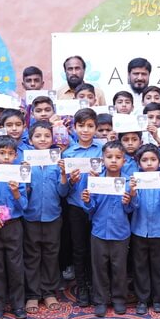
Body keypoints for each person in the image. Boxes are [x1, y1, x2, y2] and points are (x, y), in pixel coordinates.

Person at [81, 141, 134, 316]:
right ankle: (100, 300)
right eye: (109, 157)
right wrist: (87, 200)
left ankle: (119, 299)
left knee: (119, 268)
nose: (113, 161)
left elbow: (131, 209)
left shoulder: (128, 182)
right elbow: (91, 209)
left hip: (120, 232)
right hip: (99, 231)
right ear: (102, 159)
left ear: (124, 161)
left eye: (118, 157)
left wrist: (129, 200)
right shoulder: (96, 181)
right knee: (99, 267)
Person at [23, 121, 69, 313]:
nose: (43, 140)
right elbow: (21, 192)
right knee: (31, 256)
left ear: (53, 139)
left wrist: (64, 175)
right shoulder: (25, 162)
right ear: (30, 140)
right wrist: (23, 176)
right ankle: (33, 294)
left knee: (51, 254)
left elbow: (63, 192)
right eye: (38, 136)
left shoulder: (57, 162)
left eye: (47, 136)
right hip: (30, 216)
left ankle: (49, 291)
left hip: (53, 216)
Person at [0, 135, 29, 319]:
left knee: (15, 266)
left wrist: (17, 192)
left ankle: (18, 304)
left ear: (16, 155)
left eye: (11, 153)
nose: (7, 157)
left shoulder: (20, 175)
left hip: (14, 225)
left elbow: (24, 206)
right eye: (2, 153)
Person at [130, 144, 160, 314]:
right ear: (138, 163)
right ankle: (142, 299)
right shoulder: (136, 180)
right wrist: (133, 193)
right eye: (144, 160)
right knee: (140, 266)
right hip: (139, 229)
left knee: (159, 266)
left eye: (153, 160)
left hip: (159, 230)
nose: (149, 163)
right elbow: (132, 206)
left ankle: (158, 299)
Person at [62, 108, 103, 306]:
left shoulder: (103, 149)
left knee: (96, 250)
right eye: (81, 126)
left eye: (90, 126)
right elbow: (63, 189)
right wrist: (71, 180)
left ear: (96, 128)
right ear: (74, 128)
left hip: (98, 206)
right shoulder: (68, 152)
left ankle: (96, 287)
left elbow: (114, 173)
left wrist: (100, 178)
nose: (85, 130)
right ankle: (82, 288)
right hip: (76, 206)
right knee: (79, 249)